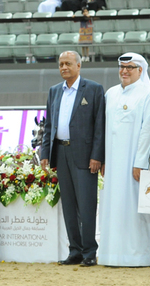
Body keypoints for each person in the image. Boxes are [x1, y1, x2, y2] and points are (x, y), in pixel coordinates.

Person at [39, 51, 106, 267]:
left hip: (85, 157)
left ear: (79, 65)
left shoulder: (94, 89)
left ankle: (89, 252)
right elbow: (49, 125)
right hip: (61, 153)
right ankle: (74, 250)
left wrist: (97, 155)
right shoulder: (54, 91)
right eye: (60, 64)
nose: (63, 67)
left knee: (86, 206)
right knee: (68, 206)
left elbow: (99, 126)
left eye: (68, 63)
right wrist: (45, 153)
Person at [98, 53, 150, 267]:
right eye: (121, 67)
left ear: (140, 70)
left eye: (130, 67)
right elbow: (105, 130)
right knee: (112, 207)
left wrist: (140, 162)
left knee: (137, 209)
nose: (124, 71)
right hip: (113, 166)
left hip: (136, 166)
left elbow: (149, 131)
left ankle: (139, 256)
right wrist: (104, 159)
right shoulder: (111, 93)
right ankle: (111, 255)